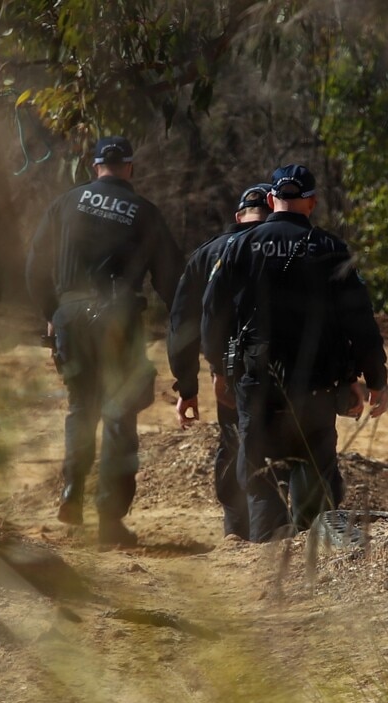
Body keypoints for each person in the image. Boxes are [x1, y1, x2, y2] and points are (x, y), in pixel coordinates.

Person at [202, 164, 388, 542]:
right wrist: (374, 379)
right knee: (314, 466)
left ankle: (267, 553)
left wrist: (219, 370)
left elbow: (211, 313)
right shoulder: (332, 249)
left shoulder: (239, 245)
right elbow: (360, 322)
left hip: (255, 382)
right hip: (317, 386)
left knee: (258, 476)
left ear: (272, 200)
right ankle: (310, 556)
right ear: (312, 203)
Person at [26, 136, 184, 546]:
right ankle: (110, 520)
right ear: (130, 167)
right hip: (119, 319)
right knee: (118, 414)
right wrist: (185, 322)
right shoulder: (145, 213)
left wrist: (51, 313)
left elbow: (33, 265)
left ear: (93, 165)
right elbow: (172, 280)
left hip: (71, 317)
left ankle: (71, 491)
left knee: (81, 406)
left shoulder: (65, 203)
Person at [167, 183, 272, 540]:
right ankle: (282, 533)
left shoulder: (207, 253)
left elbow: (182, 323)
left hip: (229, 370)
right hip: (289, 368)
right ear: (274, 210)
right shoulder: (291, 244)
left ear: (239, 215)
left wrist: (189, 385)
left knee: (236, 440)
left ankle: (236, 532)